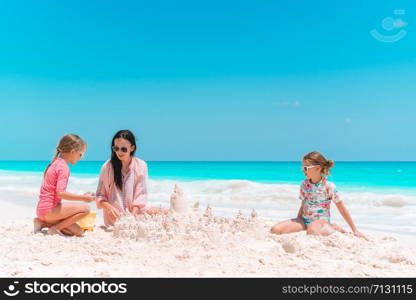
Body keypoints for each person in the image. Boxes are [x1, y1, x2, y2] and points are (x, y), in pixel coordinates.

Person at [271, 151, 367, 239]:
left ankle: (333, 227)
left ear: (317, 168)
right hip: (305, 220)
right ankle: (315, 227)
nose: (303, 171)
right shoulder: (304, 184)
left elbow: (341, 208)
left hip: (321, 222)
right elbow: (303, 205)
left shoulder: (329, 186)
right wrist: (298, 220)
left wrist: (355, 230)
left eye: (306, 168)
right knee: (275, 230)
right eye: (302, 168)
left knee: (312, 230)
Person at [95, 130, 168, 227]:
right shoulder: (107, 167)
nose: (119, 152)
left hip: (136, 213)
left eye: (123, 149)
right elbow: (99, 195)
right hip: (114, 218)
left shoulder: (141, 165)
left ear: (132, 148)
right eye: (116, 148)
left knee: (165, 212)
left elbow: (141, 195)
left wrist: (132, 216)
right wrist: (109, 207)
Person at [34, 134, 95, 236]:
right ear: (72, 152)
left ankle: (42, 222)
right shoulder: (63, 168)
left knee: (78, 231)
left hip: (41, 210)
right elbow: (61, 193)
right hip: (50, 210)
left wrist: (82, 196)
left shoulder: (55, 163)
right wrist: (83, 198)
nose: (81, 158)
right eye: (80, 154)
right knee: (86, 209)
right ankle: (55, 228)